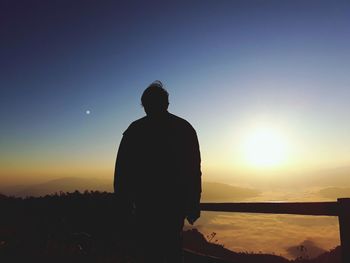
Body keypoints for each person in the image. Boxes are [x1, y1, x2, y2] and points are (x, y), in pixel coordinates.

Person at [114, 80, 202, 263]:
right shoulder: (184, 128)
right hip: (173, 206)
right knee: (172, 251)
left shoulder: (135, 130)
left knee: (148, 252)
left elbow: (122, 173)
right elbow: (194, 170)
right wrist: (193, 203)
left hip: (145, 206)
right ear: (167, 103)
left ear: (144, 105)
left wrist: (123, 206)